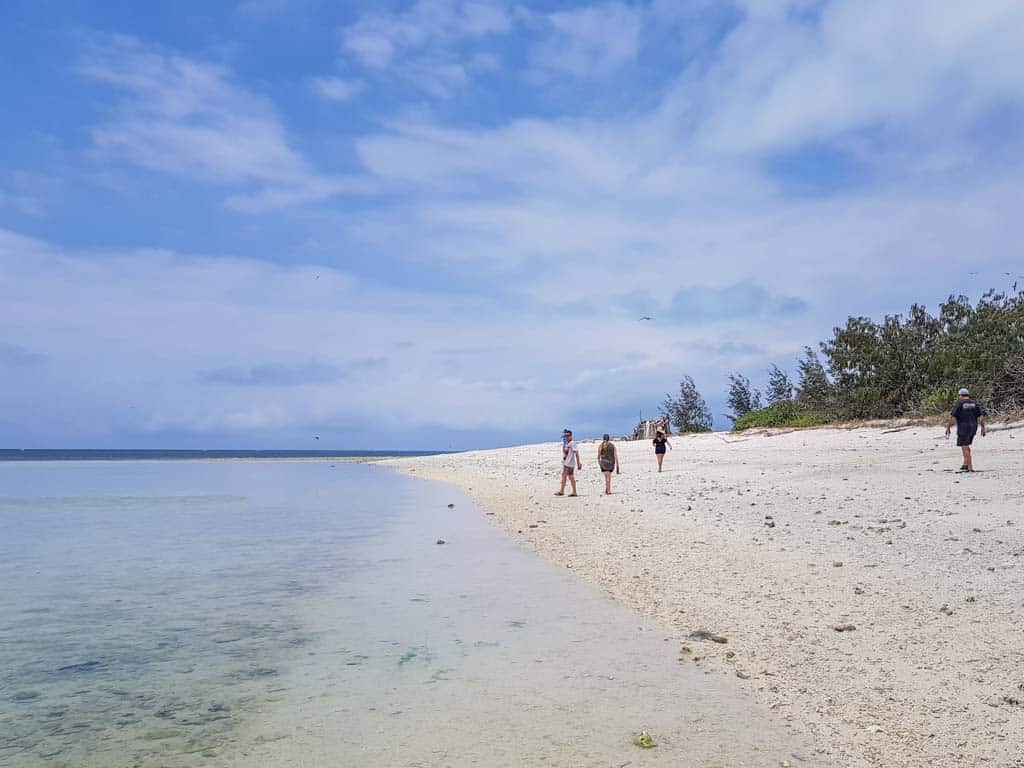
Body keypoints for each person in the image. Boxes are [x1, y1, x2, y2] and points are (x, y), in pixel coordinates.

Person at [946, 388, 986, 471]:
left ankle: (970, 467)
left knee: (964, 447)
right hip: (973, 427)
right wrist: (983, 428)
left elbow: (952, 416)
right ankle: (965, 464)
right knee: (966, 445)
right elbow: (981, 417)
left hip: (963, 427)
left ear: (960, 395)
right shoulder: (974, 403)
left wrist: (948, 427)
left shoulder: (959, 403)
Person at [555, 428, 582, 496]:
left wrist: (579, 463)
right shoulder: (568, 444)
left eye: (567, 436)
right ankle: (563, 491)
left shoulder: (572, 443)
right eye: (565, 436)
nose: (566, 437)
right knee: (566, 476)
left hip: (569, 463)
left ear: (570, 436)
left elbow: (576, 454)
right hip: (567, 463)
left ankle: (572, 491)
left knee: (569, 476)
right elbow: (565, 453)